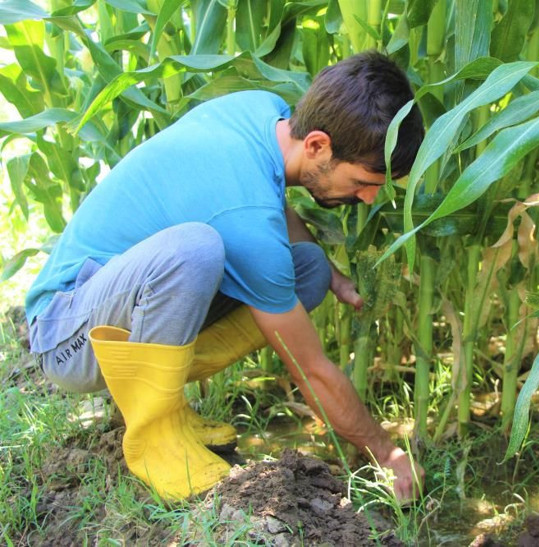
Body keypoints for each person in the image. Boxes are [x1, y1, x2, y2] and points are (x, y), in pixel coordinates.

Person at [24, 51, 425, 502]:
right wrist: (386, 452)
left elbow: (267, 202)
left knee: (307, 271)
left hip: (118, 300)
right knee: (194, 251)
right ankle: (155, 436)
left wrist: (331, 275)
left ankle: (160, 399)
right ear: (317, 145)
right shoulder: (246, 217)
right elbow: (312, 370)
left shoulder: (263, 112)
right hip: (65, 334)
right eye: (363, 181)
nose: (369, 198)